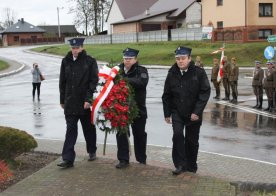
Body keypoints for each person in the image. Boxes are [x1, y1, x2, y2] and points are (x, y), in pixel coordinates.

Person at [162, 46, 210, 175]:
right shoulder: (172, 73)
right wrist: (167, 113)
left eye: (183, 58)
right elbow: (166, 94)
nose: (180, 61)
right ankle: (180, 164)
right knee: (177, 136)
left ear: (189, 58)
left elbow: (204, 93)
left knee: (191, 141)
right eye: (178, 59)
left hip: (193, 112)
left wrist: (197, 112)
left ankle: (191, 166)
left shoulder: (199, 73)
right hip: (177, 111)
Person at [57, 37, 99, 168]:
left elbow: (93, 81)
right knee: (70, 130)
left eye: (77, 48)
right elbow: (62, 82)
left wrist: (88, 99)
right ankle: (68, 159)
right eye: (73, 48)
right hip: (70, 102)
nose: (74, 50)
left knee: (88, 129)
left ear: (82, 47)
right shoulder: (66, 61)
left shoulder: (90, 61)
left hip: (84, 103)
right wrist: (62, 99)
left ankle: (92, 150)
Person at [115, 47, 149, 169]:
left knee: (139, 134)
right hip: (120, 109)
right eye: (125, 58)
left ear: (135, 59)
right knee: (121, 133)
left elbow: (141, 82)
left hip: (138, 109)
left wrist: (123, 80)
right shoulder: (117, 71)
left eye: (130, 59)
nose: (127, 61)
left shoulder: (142, 70)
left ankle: (141, 159)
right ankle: (123, 159)